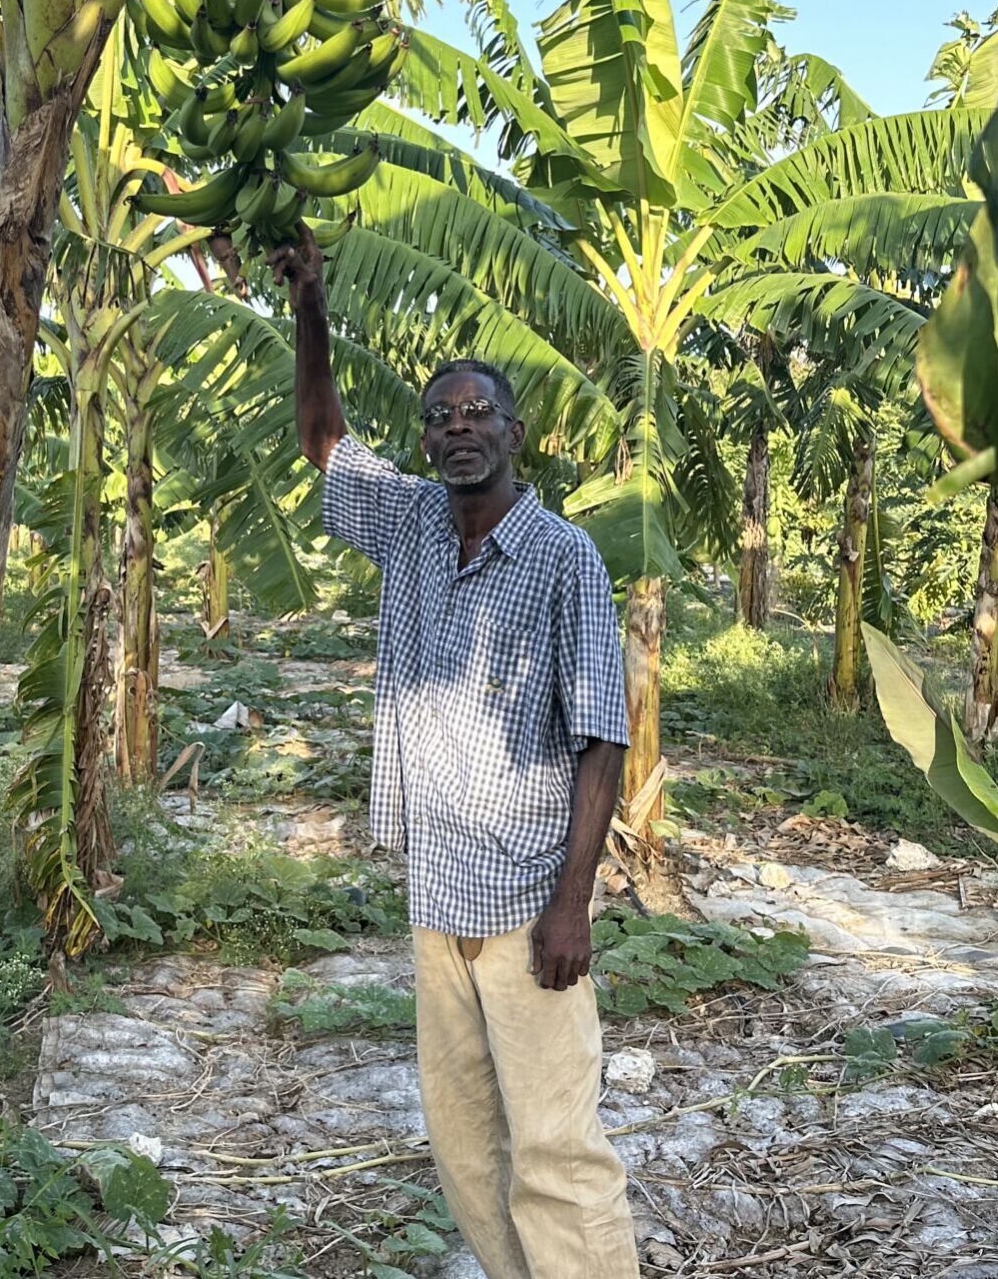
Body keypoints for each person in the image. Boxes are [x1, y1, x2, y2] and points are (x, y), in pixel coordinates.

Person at [269, 228, 640, 1279]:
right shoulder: (411, 525)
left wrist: (573, 902)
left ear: (516, 432)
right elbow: (323, 436)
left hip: (527, 907)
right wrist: (310, 308)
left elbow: (601, 735)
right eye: (440, 418)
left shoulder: (563, 558)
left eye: (477, 413)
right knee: (467, 1152)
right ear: (426, 442)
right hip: (438, 902)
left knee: (558, 1149)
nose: (458, 429)